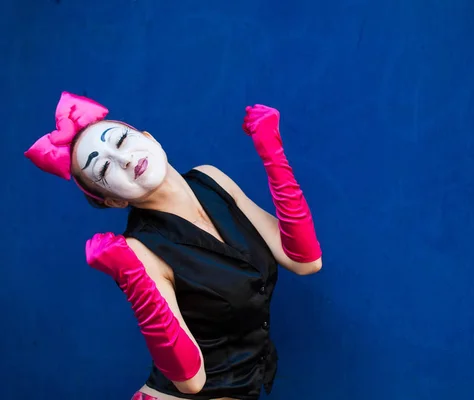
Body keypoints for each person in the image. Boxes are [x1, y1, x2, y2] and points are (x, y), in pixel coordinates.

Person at [25, 92, 323, 400]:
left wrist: (273, 154)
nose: (125, 159)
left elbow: (304, 260)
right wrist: (131, 276)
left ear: (148, 137)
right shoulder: (139, 250)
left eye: (120, 141)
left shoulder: (210, 179)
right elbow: (190, 380)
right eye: (103, 169)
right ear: (115, 201)